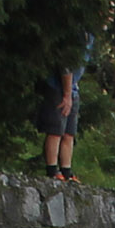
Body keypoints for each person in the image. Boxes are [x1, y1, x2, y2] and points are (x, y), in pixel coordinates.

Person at [37, 34, 91, 182]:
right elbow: (66, 66)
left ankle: (67, 171)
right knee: (56, 130)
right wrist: (67, 94)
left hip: (73, 88)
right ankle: (52, 170)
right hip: (59, 87)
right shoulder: (75, 35)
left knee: (69, 133)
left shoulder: (90, 36)